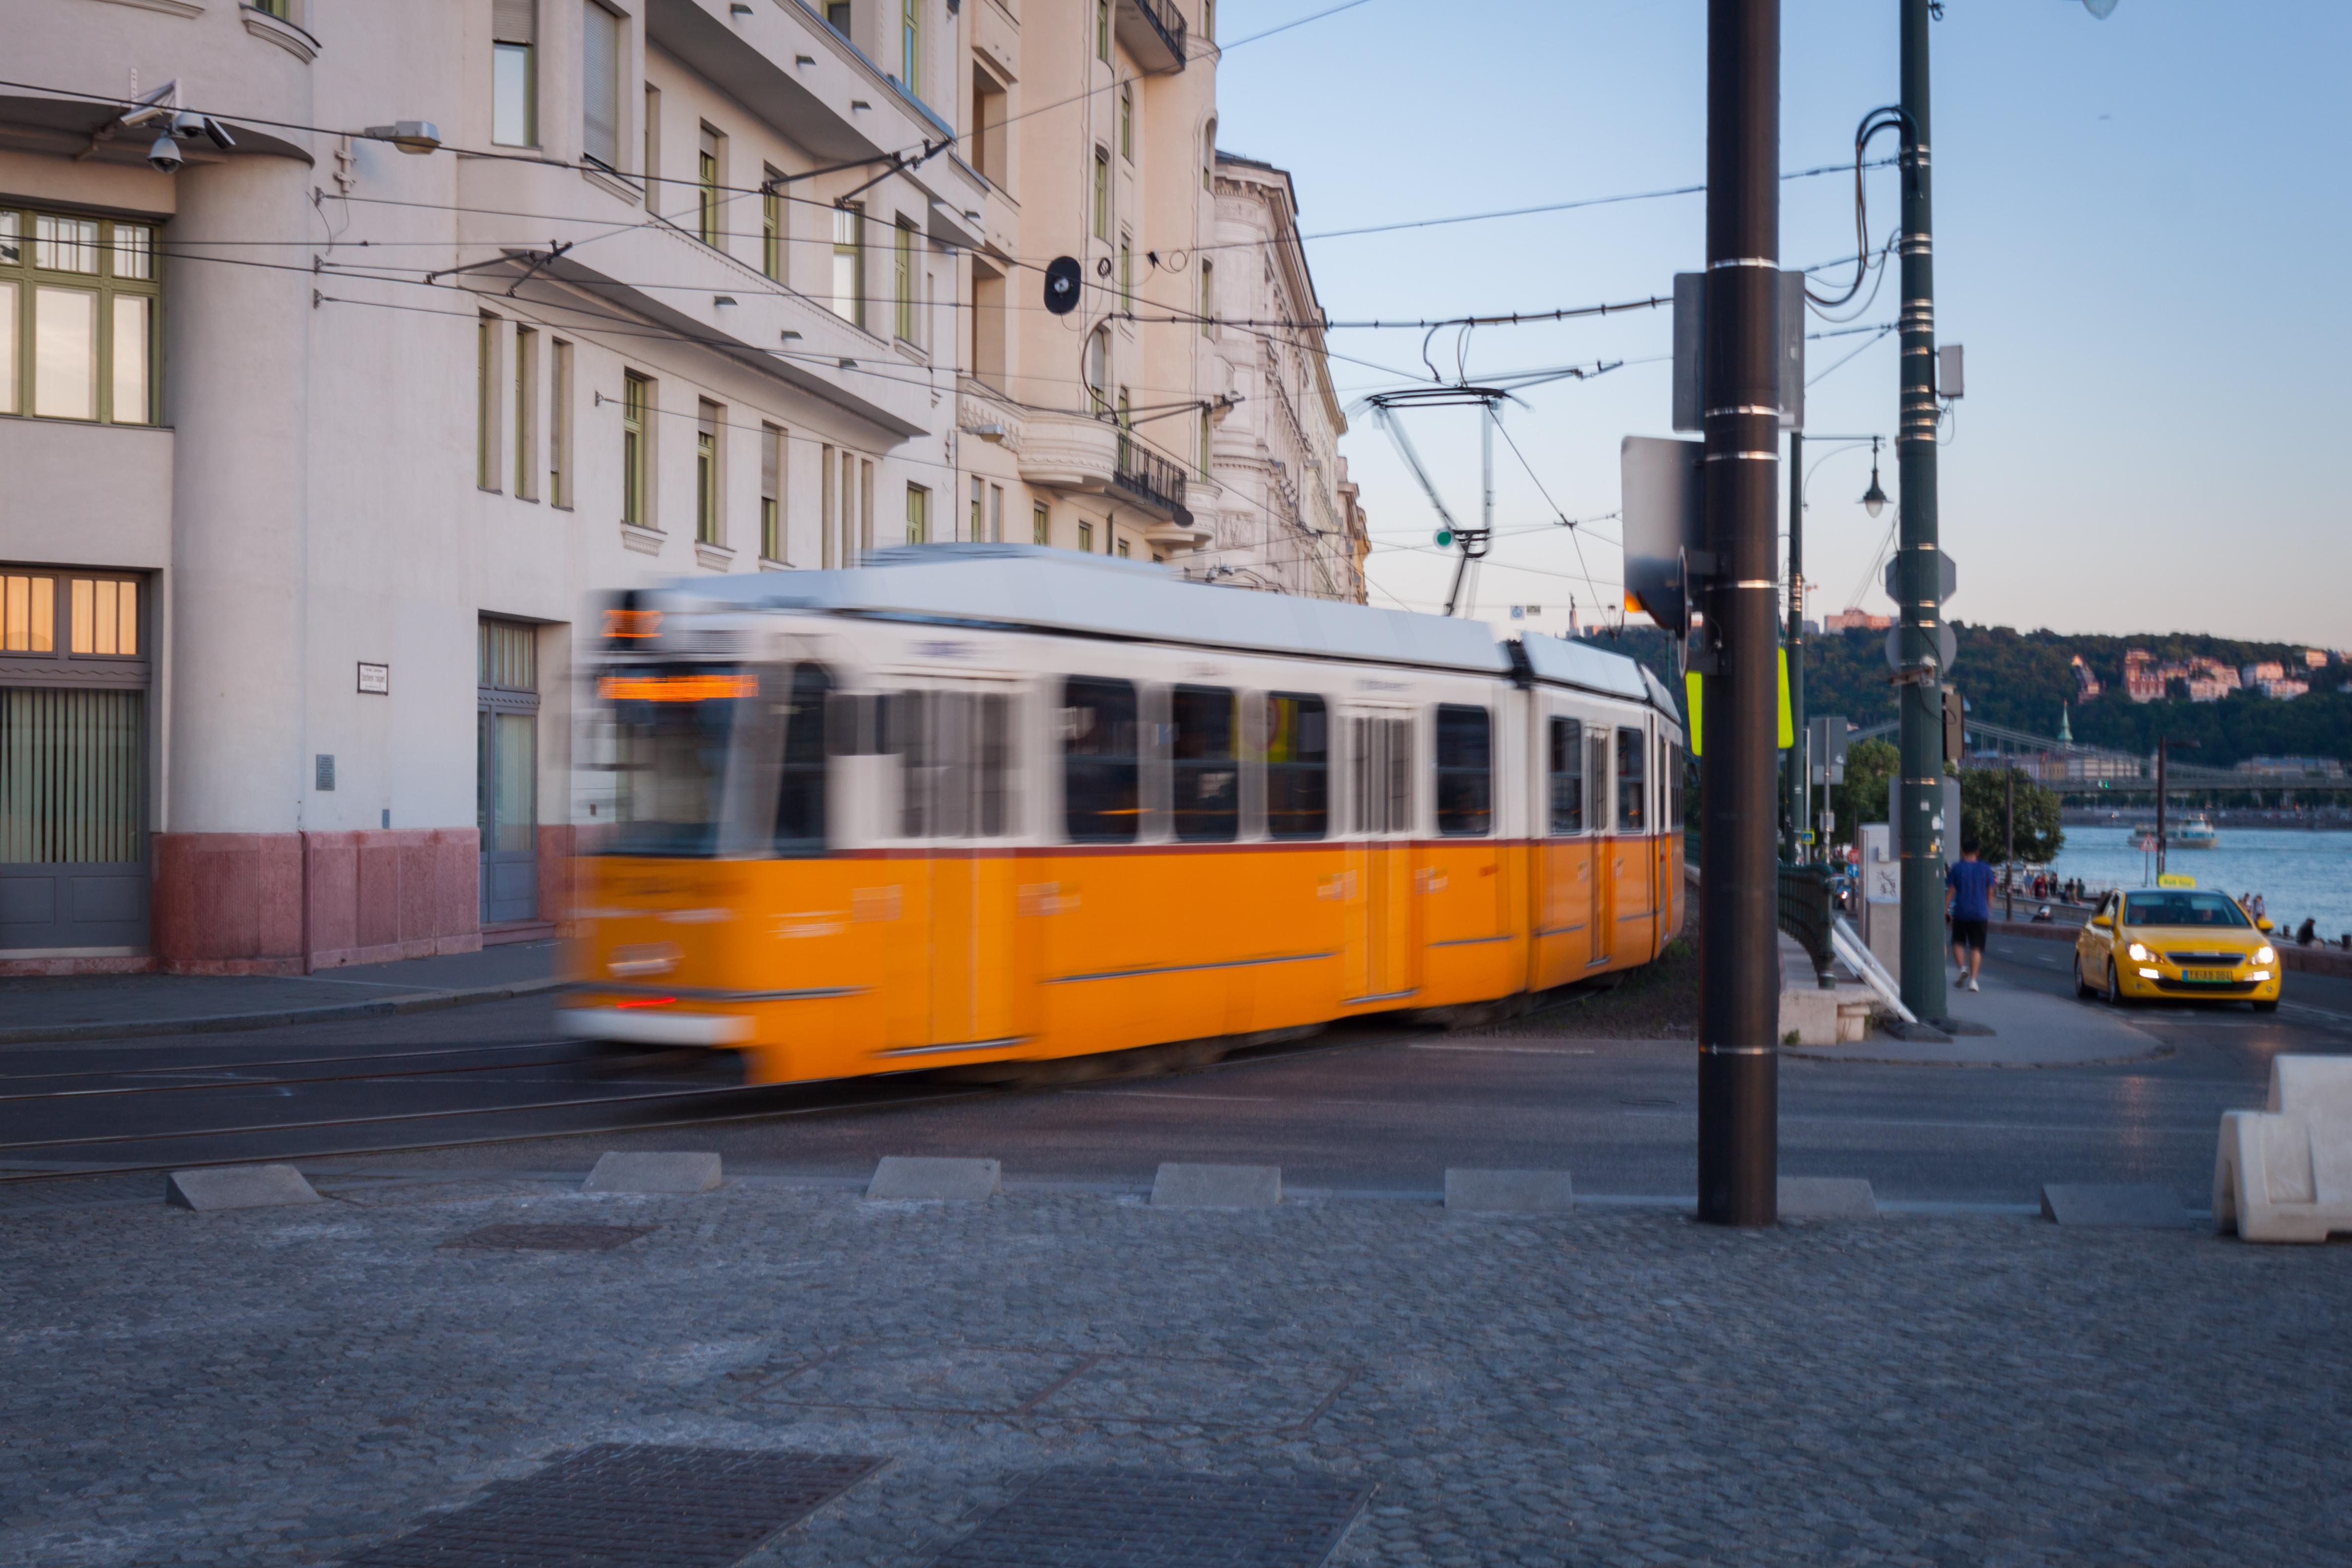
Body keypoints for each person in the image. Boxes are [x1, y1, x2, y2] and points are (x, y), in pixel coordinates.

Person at [1946, 839, 1997, 993]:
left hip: (1961, 911)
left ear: (1963, 852)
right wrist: (1989, 906)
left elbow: (1951, 890)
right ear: (1977, 852)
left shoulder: (1957, 868)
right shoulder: (1986, 868)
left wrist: (1946, 908)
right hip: (1980, 913)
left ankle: (1962, 968)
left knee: (1957, 942)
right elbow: (1990, 889)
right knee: (1977, 946)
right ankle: (1973, 981)